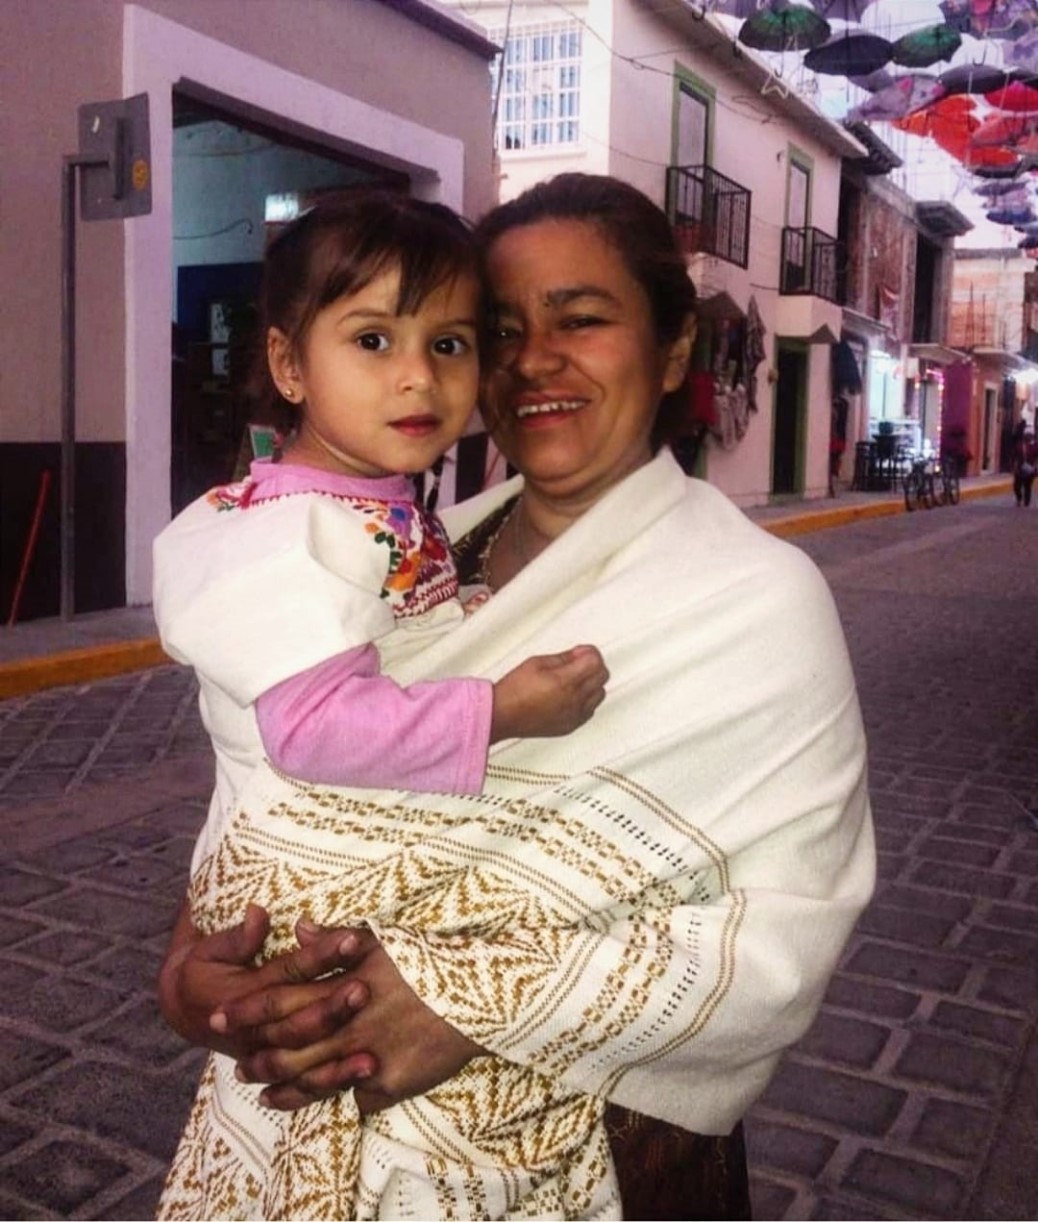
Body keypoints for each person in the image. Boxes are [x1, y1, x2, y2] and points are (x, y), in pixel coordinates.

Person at [157, 174, 875, 1221]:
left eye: (580, 320)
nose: (534, 359)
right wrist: (191, 972)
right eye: (500, 331)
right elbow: (268, 788)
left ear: (673, 349)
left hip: (576, 1161)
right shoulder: (409, 563)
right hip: (278, 1142)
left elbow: (784, 938)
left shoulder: (751, 599)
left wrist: (466, 1004)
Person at [153, 191, 609, 876]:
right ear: (290, 365)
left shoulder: (365, 502)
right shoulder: (289, 536)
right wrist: (500, 711)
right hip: (302, 872)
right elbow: (311, 731)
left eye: (448, 345)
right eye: (372, 340)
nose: (419, 377)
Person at [1012, 423, 1037, 507]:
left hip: (1030, 469)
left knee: (1027, 486)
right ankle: (1019, 498)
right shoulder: (1020, 445)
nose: (1028, 437)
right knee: (1016, 486)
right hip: (1020, 468)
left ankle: (1026, 503)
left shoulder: (1035, 446)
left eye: (1030, 435)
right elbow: (1014, 455)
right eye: (1027, 435)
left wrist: (1035, 467)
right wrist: (1014, 466)